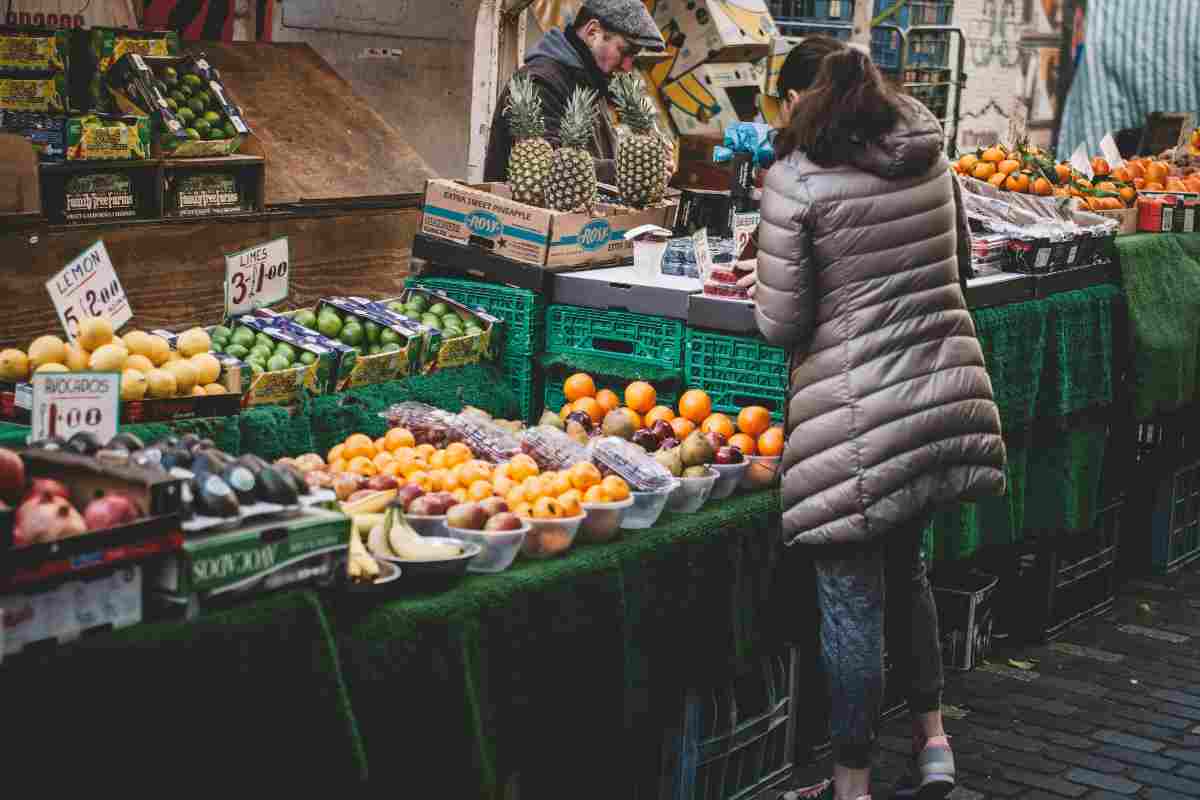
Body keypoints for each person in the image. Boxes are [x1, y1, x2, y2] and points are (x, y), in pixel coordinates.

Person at [753, 44, 1008, 800]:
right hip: (935, 401)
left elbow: (780, 319)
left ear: (802, 99)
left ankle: (851, 783)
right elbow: (959, 261)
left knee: (852, 605)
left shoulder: (796, 181)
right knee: (911, 574)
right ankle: (935, 745)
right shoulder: (930, 158)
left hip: (854, 422)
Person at [483, 0, 664, 186]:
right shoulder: (540, 81)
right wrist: (630, 169)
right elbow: (547, 168)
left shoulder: (591, 79)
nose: (627, 67)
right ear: (593, 32)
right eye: (626, 51)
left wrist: (646, 163)